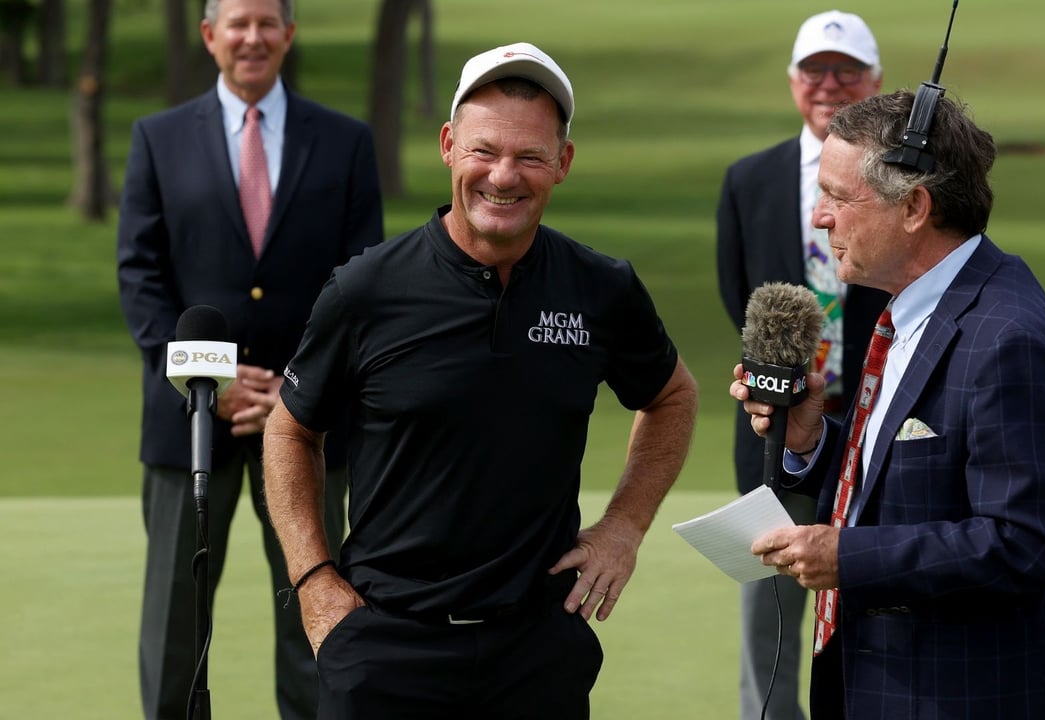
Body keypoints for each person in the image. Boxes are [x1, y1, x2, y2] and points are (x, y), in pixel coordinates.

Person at [261, 42, 699, 719]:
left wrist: (623, 528)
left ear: (563, 162)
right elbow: (290, 431)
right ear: (448, 147)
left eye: (530, 156)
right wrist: (313, 580)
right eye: (483, 151)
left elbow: (672, 396)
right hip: (385, 647)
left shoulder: (600, 288)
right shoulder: (367, 289)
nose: (503, 176)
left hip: (536, 651)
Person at [732, 90, 1045, 719]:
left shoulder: (1008, 338)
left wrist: (847, 557)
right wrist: (813, 441)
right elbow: (909, 482)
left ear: (915, 207)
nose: (820, 218)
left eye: (838, 197)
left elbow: (1028, 544)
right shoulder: (914, 307)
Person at [115, 0, 384, 717]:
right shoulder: (157, 138)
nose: (253, 37)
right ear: (210, 36)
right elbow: (141, 277)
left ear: (289, 34)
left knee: (315, 614)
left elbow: (362, 283)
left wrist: (295, 392)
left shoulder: (347, 142)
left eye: (268, 23)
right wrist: (209, 381)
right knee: (176, 623)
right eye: (237, 23)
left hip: (309, 426)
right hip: (187, 423)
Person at [715, 10, 890, 719]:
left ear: (875, 83)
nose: (829, 84)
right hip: (774, 433)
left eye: (847, 71)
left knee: (880, 607)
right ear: (793, 81)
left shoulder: (902, 183)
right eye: (815, 70)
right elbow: (738, 293)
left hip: (882, 423)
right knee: (772, 618)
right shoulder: (748, 179)